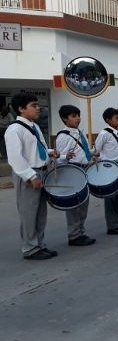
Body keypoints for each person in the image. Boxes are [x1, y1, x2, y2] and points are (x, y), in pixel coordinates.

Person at [5, 93, 60, 260]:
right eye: (34, 105)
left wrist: (51, 152)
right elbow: (16, 158)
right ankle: (30, 248)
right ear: (21, 109)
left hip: (41, 171)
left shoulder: (33, 126)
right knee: (29, 213)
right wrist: (31, 176)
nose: (38, 108)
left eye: (38, 105)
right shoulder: (14, 130)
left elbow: (38, 148)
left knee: (40, 212)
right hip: (29, 174)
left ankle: (39, 245)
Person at [55, 105, 98, 246]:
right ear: (64, 119)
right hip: (73, 171)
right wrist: (64, 156)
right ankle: (74, 235)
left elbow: (81, 151)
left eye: (78, 115)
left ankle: (80, 232)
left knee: (83, 204)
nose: (78, 118)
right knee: (74, 206)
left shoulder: (78, 132)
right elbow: (58, 159)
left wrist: (92, 153)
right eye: (73, 116)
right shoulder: (63, 136)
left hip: (83, 169)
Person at [94, 108, 118, 235]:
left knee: (117, 198)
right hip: (108, 168)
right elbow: (96, 151)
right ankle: (113, 226)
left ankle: (117, 223)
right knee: (110, 198)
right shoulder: (104, 134)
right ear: (108, 120)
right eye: (117, 118)